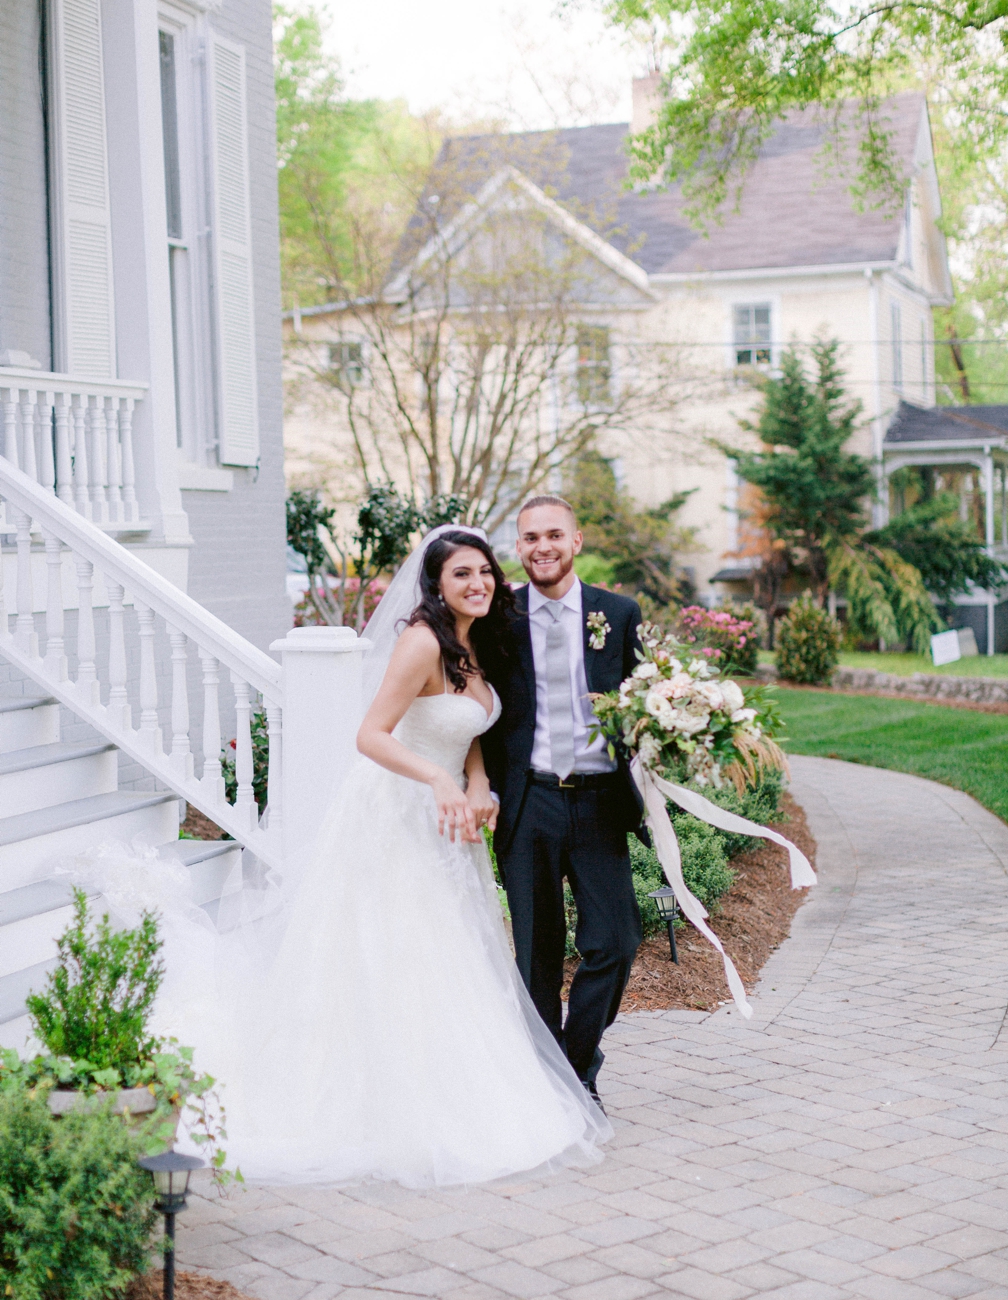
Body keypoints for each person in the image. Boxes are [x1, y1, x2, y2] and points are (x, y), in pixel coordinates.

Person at [127, 526, 611, 1188]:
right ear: (436, 585)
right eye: (461, 575)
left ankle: (454, 1085)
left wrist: (474, 781)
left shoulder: (474, 642)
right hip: (396, 812)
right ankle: (379, 1100)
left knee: (453, 953)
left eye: (485, 572)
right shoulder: (421, 641)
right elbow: (371, 735)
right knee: (395, 948)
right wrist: (439, 780)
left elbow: (467, 731)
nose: (478, 583)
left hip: (448, 822)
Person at [478, 496, 646, 1108]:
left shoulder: (618, 614)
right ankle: (556, 1087)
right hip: (529, 803)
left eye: (553, 535)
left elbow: (646, 698)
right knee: (536, 955)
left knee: (617, 939)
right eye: (529, 538)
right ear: (516, 549)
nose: (541, 547)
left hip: (601, 802)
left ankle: (573, 1066)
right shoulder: (497, 617)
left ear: (576, 540)